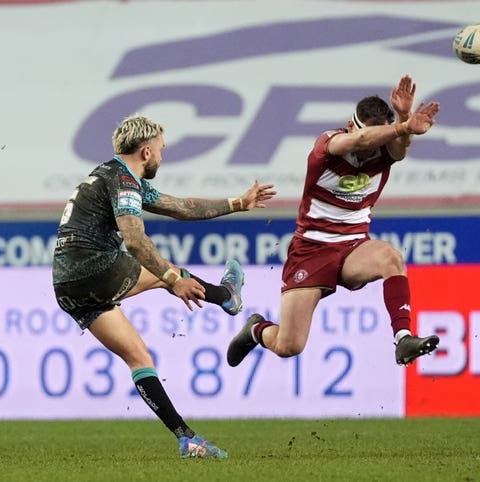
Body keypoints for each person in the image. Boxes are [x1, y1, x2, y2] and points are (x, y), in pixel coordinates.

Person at [52, 113, 275, 459]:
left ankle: (187, 439)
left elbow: (182, 208)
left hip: (67, 286)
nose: (162, 156)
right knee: (165, 270)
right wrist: (173, 280)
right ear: (145, 152)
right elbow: (136, 243)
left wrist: (238, 204)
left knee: (139, 357)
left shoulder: (111, 175)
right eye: (160, 150)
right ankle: (226, 297)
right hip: (93, 269)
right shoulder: (124, 181)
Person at [227, 75, 440, 369]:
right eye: (368, 136)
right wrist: (403, 126)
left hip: (353, 246)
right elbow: (362, 140)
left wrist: (404, 118)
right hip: (312, 249)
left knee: (391, 257)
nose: (369, 148)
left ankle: (403, 338)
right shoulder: (328, 144)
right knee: (289, 345)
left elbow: (400, 149)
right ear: (352, 125)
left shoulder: (385, 147)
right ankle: (256, 329)